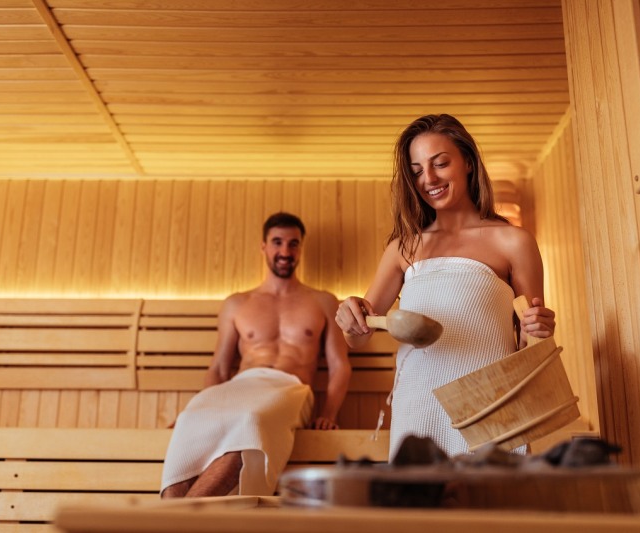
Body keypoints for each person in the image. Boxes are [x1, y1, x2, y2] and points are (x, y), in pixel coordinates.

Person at [335, 114, 556, 460]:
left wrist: (538, 329)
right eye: (418, 170)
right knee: (419, 507)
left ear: (468, 162)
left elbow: (532, 340)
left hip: (490, 405)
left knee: (490, 508)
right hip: (418, 402)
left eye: (440, 163)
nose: (429, 179)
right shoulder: (402, 248)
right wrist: (350, 317)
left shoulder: (513, 242)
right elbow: (360, 333)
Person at [161, 212, 351, 498]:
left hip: (289, 388)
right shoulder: (237, 304)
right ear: (264, 246)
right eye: (277, 242)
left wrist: (328, 413)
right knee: (190, 421)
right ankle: (177, 520)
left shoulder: (323, 301)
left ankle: (171, 523)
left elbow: (339, 366)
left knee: (252, 421)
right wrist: (201, 407)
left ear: (301, 248)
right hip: (240, 386)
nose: (285, 251)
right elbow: (220, 368)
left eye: (293, 244)